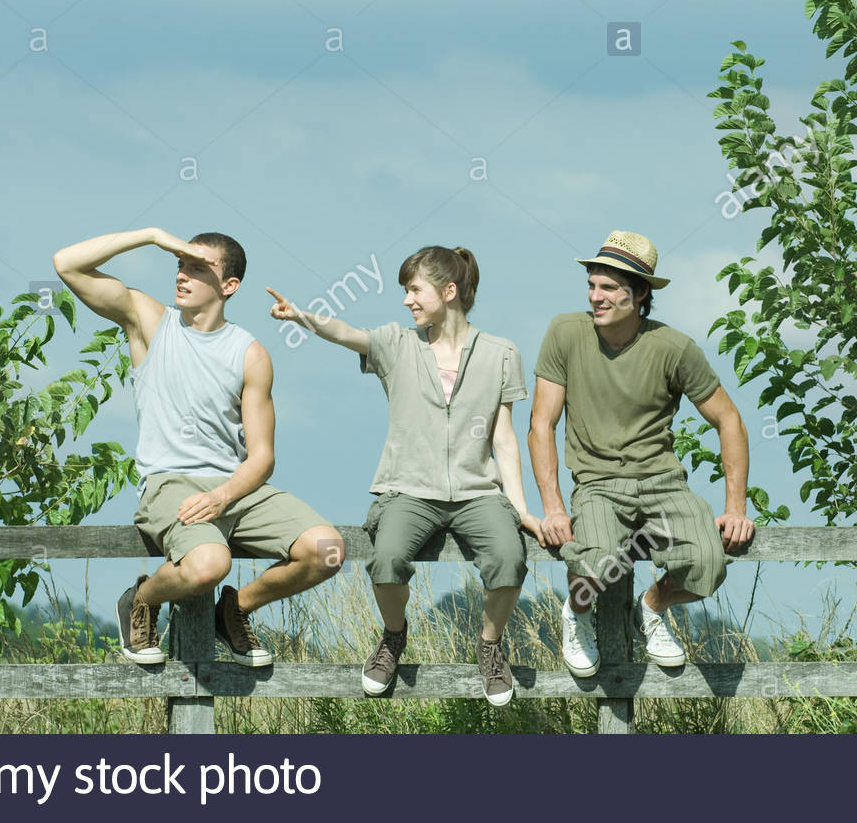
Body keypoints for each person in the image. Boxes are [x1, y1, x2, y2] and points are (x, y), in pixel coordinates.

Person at [52, 227, 344, 666]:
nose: (182, 276)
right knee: (209, 564)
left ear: (229, 286)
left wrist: (223, 495)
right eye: (180, 265)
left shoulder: (250, 354)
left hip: (233, 487)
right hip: (171, 484)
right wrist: (151, 236)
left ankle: (235, 610)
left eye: (197, 268)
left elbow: (262, 456)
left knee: (329, 550)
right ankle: (141, 600)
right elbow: (66, 263)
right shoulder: (149, 321)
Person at [268, 246, 542, 706]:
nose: (406, 300)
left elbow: (504, 438)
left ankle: (490, 646)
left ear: (448, 291)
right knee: (388, 557)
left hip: (477, 492)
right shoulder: (398, 344)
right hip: (408, 489)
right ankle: (394, 636)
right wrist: (301, 317)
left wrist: (520, 508)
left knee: (509, 558)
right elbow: (347, 333)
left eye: (414, 289)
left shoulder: (500, 353)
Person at [527, 230, 754, 677]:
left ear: (640, 293)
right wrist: (552, 507)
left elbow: (729, 420)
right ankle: (576, 615)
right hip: (597, 484)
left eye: (608, 287)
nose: (596, 296)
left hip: (662, 483)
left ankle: (651, 608)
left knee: (709, 563)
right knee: (593, 561)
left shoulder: (674, 348)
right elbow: (541, 424)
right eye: (592, 284)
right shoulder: (564, 333)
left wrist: (736, 508)